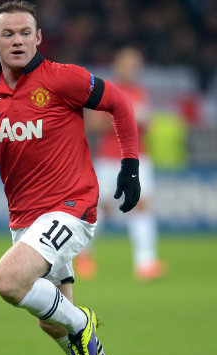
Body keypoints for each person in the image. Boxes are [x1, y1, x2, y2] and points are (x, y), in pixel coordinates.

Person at [0, 2, 140, 355]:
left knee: (9, 281)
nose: (18, 41)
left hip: (71, 206)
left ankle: (80, 322)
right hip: (24, 217)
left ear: (38, 38)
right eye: (8, 34)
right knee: (51, 322)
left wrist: (130, 165)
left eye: (25, 33)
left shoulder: (62, 78)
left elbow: (118, 102)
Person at [76, 47, 165, 281]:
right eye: (126, 64)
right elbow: (94, 123)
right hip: (110, 158)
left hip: (137, 157)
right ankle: (83, 253)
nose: (131, 68)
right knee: (102, 209)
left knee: (142, 204)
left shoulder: (139, 92)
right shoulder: (106, 90)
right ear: (118, 66)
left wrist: (145, 122)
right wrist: (126, 118)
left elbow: (145, 125)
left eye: (135, 64)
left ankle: (145, 263)